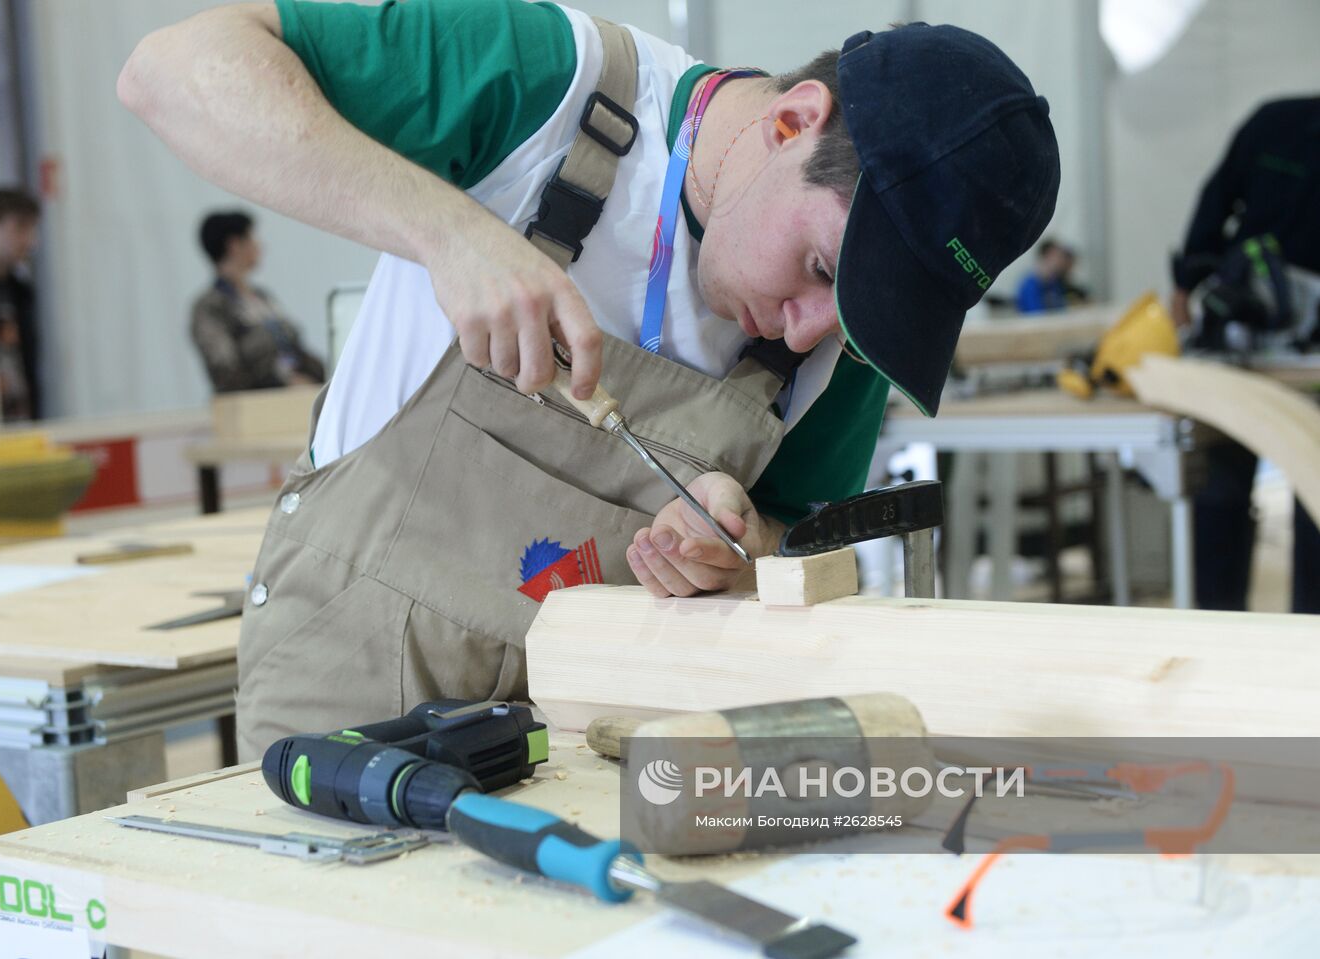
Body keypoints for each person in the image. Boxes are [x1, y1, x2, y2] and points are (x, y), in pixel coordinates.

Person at [120, 0, 1059, 758]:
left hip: (602, 746)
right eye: (822, 270)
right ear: (790, 123)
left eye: (859, 314)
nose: (816, 328)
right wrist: (448, 231)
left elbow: (795, 548)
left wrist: (738, 545)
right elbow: (171, 70)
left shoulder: (841, 341)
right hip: (346, 708)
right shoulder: (548, 87)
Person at [1169, 97, 1320, 614]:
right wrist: (1188, 281)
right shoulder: (1274, 122)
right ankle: (1227, 636)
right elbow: (1215, 199)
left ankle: (1299, 650)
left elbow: (1214, 199)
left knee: (1304, 490)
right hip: (1250, 343)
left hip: (1282, 352)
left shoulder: (1271, 119)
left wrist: (1189, 283)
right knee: (1227, 490)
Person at [190, 210, 326, 392]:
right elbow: (226, 371)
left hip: (297, 398)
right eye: (252, 238)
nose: (260, 245)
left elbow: (295, 348)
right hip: (256, 409)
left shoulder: (262, 297)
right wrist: (283, 383)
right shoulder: (210, 307)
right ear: (234, 245)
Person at [0, 187, 43, 422]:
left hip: (22, 421)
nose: (29, 241)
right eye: (20, 228)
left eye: (31, 229)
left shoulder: (20, 291)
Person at [1015, 238, 1083, 313]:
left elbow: (1062, 311)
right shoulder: (1029, 285)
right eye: (1056, 256)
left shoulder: (1054, 283)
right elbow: (1035, 315)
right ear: (1046, 257)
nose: (1060, 260)